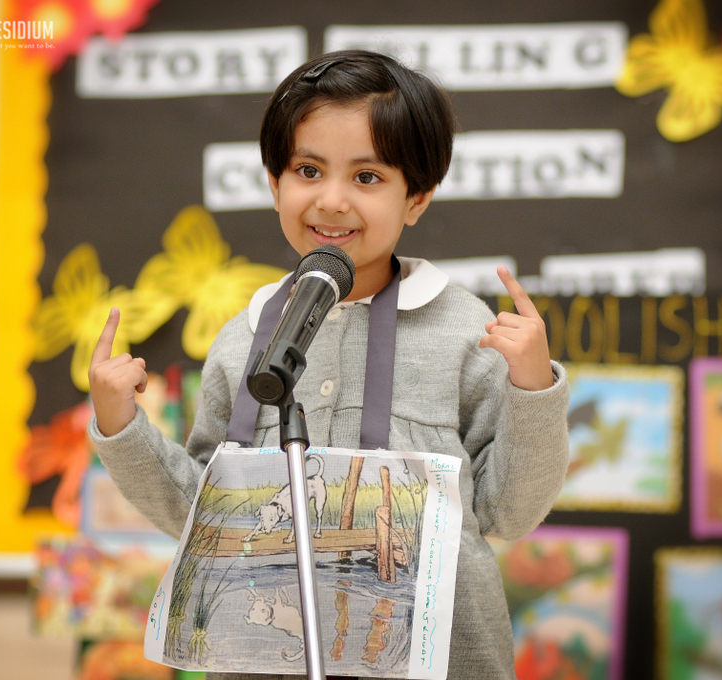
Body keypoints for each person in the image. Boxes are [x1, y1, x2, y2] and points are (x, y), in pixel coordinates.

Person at [88, 50, 570, 680]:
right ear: (274, 183)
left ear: (416, 199)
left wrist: (533, 386)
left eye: (367, 178)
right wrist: (119, 425)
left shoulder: (465, 332)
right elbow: (200, 516)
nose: (332, 200)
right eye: (308, 170)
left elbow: (512, 511)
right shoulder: (244, 339)